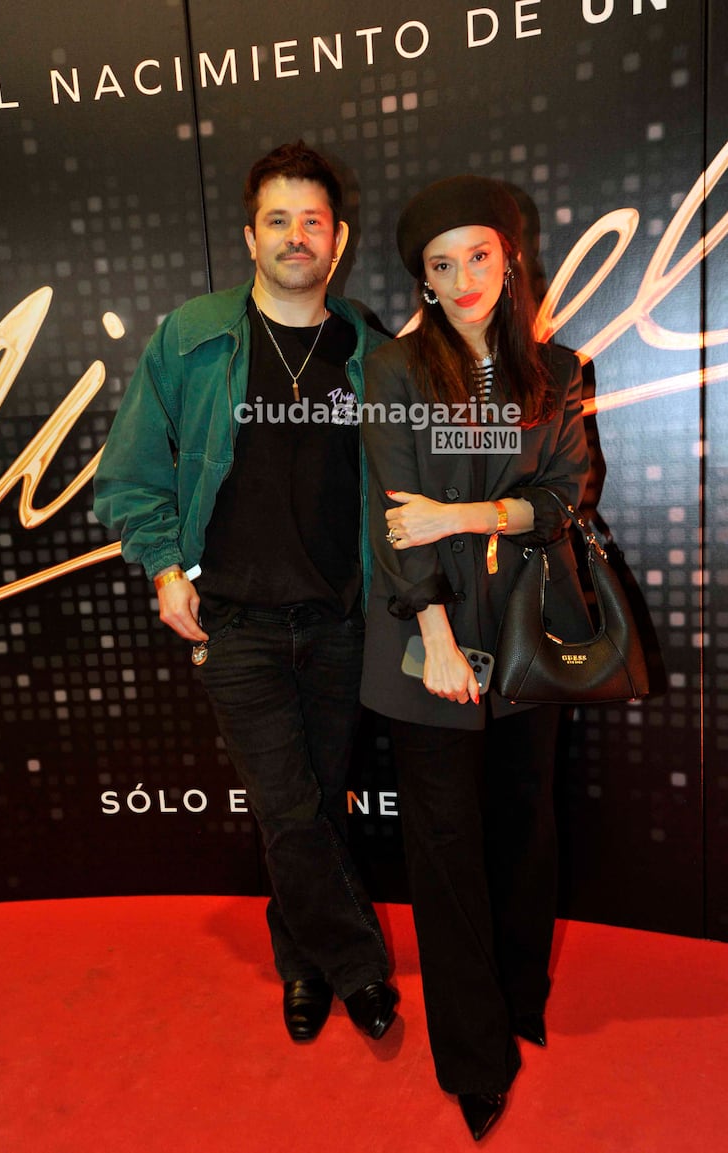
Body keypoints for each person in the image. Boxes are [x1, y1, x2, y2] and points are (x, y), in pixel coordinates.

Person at [94, 141, 397, 1045]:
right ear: (249, 234)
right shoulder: (191, 336)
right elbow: (131, 475)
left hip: (340, 621)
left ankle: (300, 965)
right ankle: (360, 970)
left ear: (336, 240)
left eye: (312, 221)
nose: (295, 236)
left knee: (308, 803)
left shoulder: (369, 350)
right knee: (290, 803)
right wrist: (159, 566)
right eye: (278, 220)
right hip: (233, 622)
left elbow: (397, 488)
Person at [360, 175, 589, 1140]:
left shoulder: (557, 368)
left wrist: (466, 512)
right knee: (446, 850)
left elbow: (565, 494)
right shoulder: (395, 371)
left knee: (524, 828)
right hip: (432, 642)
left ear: (508, 257)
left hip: (528, 631)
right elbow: (393, 518)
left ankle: (519, 998)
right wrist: (437, 639)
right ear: (420, 277)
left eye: (477, 256)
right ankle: (473, 1053)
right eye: (439, 264)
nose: (461, 279)